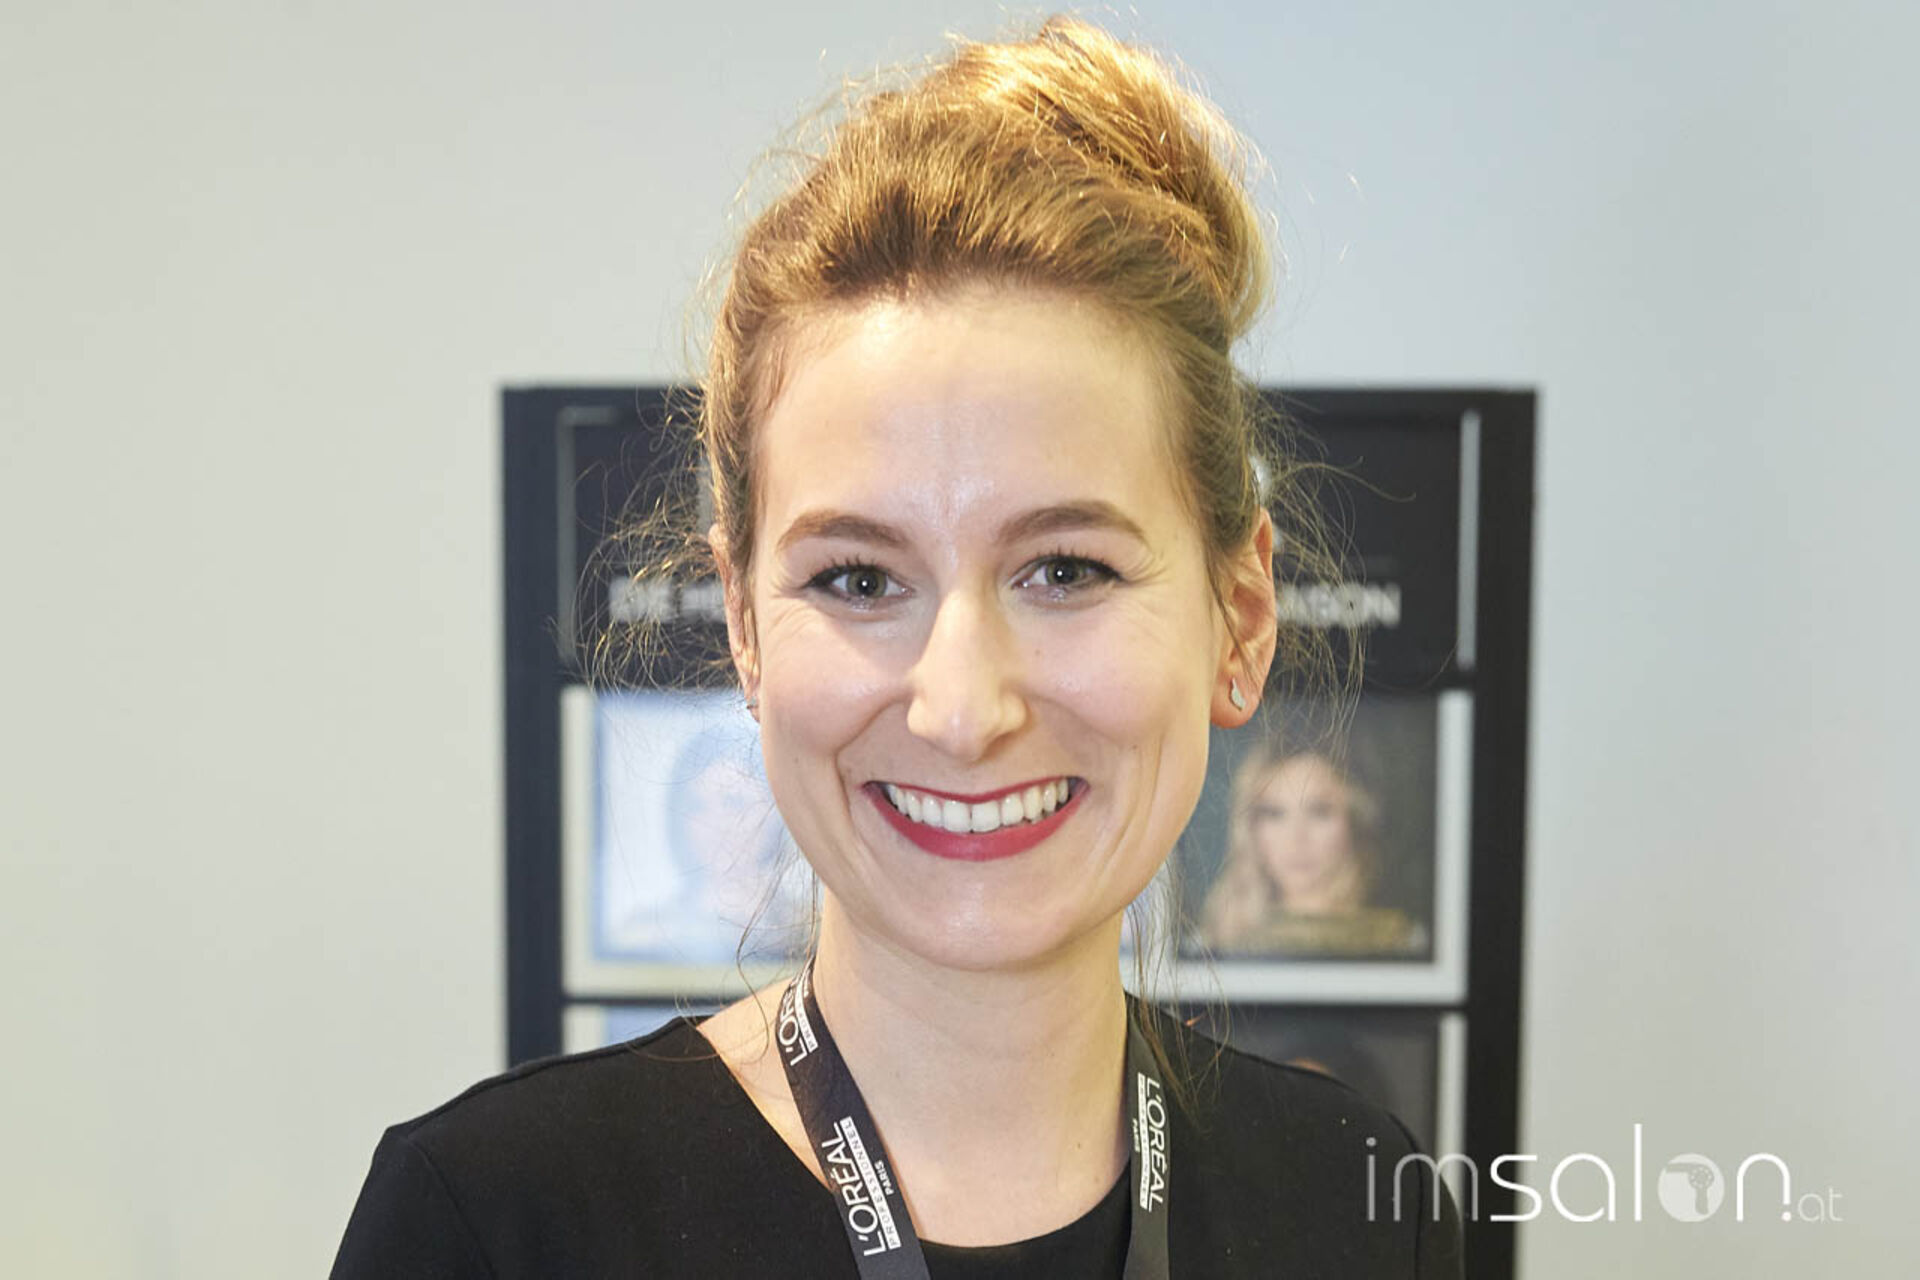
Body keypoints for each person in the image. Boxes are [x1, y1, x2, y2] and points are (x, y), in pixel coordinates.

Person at [332, 15, 1462, 1277]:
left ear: (1239, 618)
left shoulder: (1363, 1203)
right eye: (860, 578)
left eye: (1066, 569)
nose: (961, 708)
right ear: (746, 628)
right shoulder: (492, 1222)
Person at [1198, 740, 1429, 956]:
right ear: (1251, 828)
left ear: (1355, 819)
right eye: (1275, 813)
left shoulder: (1403, 941)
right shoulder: (1210, 942)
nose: (1297, 838)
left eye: (1319, 811)